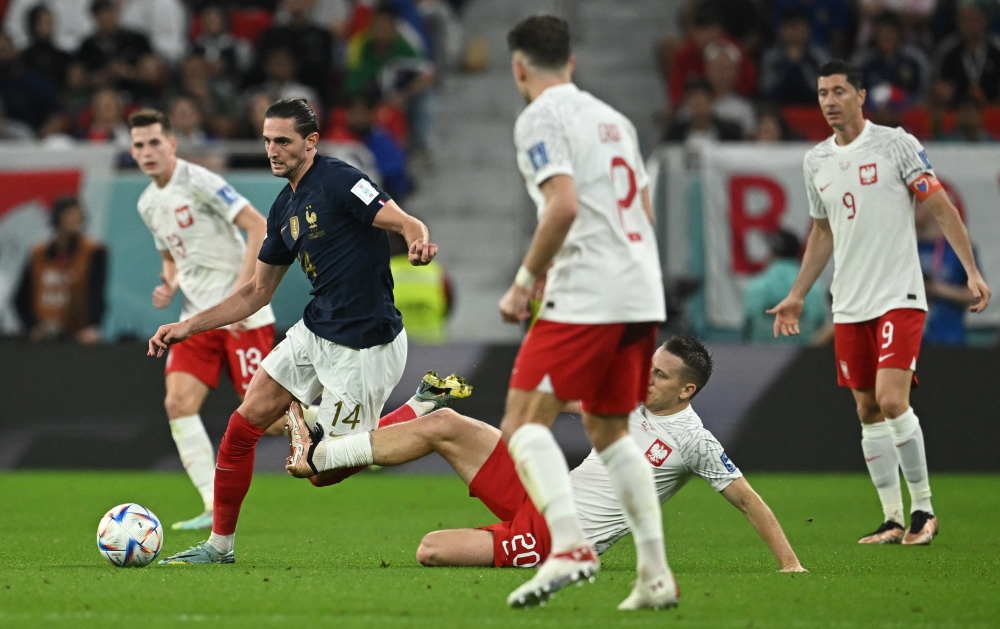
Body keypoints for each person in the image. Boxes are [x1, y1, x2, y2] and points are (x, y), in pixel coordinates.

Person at [150, 97, 438, 564]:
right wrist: (188, 326)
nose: (272, 150)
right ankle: (219, 547)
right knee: (244, 422)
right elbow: (255, 292)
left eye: (283, 141)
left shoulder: (341, 180)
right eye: (267, 140)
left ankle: (417, 408)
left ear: (311, 142)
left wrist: (418, 241)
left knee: (321, 472)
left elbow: (405, 222)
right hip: (316, 329)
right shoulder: (284, 206)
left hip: (364, 344)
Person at [285, 336, 807, 576]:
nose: (646, 378)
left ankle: (324, 454)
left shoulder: (694, 441)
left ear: (686, 390)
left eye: (660, 376)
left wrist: (791, 565)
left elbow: (749, 501)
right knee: (446, 424)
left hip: (556, 537)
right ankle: (323, 455)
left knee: (430, 550)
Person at [766, 59, 991, 547]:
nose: (829, 101)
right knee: (867, 409)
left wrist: (971, 270)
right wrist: (797, 294)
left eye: (839, 91)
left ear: (861, 96)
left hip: (898, 295)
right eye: (823, 93)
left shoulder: (895, 143)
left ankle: (923, 510)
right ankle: (891, 518)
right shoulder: (816, 161)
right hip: (850, 302)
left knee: (892, 400)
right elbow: (821, 232)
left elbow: (940, 206)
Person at [495, 16, 672, 611]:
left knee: (523, 423)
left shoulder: (539, 117)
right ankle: (654, 574)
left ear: (519, 68)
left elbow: (563, 206)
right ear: (570, 62)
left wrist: (523, 283)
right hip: (639, 287)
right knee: (609, 430)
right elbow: (642, 208)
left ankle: (570, 547)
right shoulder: (614, 119)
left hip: (590, 290)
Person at [128, 107, 276, 531]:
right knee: (178, 403)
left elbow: (258, 227)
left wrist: (242, 296)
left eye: (155, 142)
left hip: (241, 318)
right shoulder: (147, 203)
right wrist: (169, 282)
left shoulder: (199, 181)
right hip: (195, 318)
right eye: (139, 145)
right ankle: (212, 505)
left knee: (268, 419)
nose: (147, 151)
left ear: (172, 144)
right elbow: (172, 255)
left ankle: (352, 434)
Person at [14, 196, 106, 343]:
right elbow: (21, 297)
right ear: (58, 219)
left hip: (78, 334)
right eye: (69, 216)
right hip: (42, 335)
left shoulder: (93, 252)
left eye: (77, 216)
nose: (74, 221)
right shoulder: (38, 254)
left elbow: (96, 293)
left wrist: (92, 326)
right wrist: (32, 326)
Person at [744, 230, 827, 345]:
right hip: (802, 355)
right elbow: (821, 329)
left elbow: (748, 328)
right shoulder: (814, 288)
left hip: (762, 355)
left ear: (772, 253)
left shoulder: (756, 286)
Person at [916, 203, 978, 346]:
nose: (911, 210)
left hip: (949, 341)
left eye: (917, 205)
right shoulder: (906, 247)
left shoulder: (958, 247)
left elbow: (978, 294)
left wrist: (941, 290)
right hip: (913, 342)